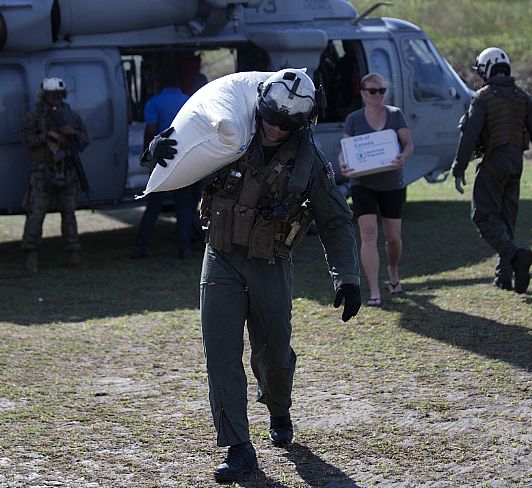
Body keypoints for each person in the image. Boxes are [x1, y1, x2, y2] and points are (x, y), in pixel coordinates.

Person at [142, 68, 362, 482]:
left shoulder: (309, 162)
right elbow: (184, 155)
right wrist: (156, 149)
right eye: (269, 117)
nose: (273, 128)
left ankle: (279, 408)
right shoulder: (229, 137)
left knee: (273, 354)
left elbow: (336, 221)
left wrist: (346, 276)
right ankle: (239, 448)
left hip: (270, 265)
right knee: (221, 355)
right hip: (220, 258)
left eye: (285, 123)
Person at [451, 47, 532, 294]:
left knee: (483, 216)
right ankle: (504, 276)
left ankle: (516, 256)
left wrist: (459, 167)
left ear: (486, 69)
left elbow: (469, 136)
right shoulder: (522, 97)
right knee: (506, 221)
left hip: (494, 162)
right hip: (516, 165)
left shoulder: (482, 97)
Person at [339, 73, 414, 307]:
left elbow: (409, 144)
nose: (378, 95)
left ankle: (393, 269)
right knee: (369, 234)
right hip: (363, 184)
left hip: (391, 183)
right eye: (373, 91)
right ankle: (374, 291)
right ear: (363, 94)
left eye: (382, 90)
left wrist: (403, 156)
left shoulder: (395, 115)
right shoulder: (354, 119)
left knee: (393, 239)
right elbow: (346, 148)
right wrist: (343, 163)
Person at [21, 77, 90, 273]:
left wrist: (72, 134)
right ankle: (30, 255)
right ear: (44, 95)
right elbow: (26, 140)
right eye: (51, 95)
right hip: (43, 172)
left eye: (58, 95)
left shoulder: (71, 116)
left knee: (69, 214)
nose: (55, 99)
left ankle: (74, 253)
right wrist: (48, 136)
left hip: (66, 170)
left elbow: (85, 141)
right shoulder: (34, 116)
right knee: (36, 214)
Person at [131, 71, 196, 259]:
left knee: (154, 205)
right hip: (184, 158)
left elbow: (151, 131)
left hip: (162, 159)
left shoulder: (153, 102)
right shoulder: (189, 100)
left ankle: (140, 246)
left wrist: (147, 157)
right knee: (184, 205)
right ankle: (184, 248)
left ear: (161, 84)